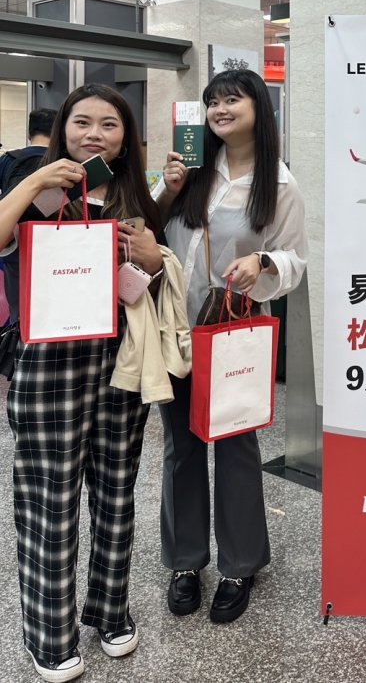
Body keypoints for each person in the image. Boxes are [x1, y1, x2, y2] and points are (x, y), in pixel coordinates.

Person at [0, 84, 165, 682]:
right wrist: (32, 186)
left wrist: (149, 253)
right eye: (83, 122)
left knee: (118, 492)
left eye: (110, 125)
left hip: (121, 360)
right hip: (47, 363)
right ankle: (50, 634)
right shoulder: (34, 185)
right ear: (63, 127)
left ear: (126, 139)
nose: (95, 133)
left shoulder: (128, 193)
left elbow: (149, 278)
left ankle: (110, 610)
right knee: (49, 500)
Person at [154, 67, 307, 624]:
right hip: (176, 327)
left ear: (257, 109)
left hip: (234, 330)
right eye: (212, 101)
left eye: (232, 100)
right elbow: (152, 231)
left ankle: (240, 563)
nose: (220, 109)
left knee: (236, 446)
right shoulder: (191, 168)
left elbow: (295, 260)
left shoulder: (280, 184)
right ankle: (186, 561)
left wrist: (263, 262)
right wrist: (167, 190)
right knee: (180, 446)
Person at [0, 108, 57, 322]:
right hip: (56, 247)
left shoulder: (8, 159)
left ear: (29, 133)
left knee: (19, 310)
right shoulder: (63, 162)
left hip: (15, 247)